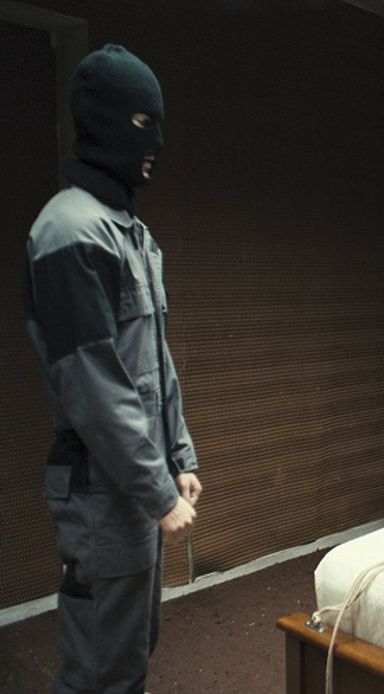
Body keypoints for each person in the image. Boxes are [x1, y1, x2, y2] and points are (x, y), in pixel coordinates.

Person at [24, 44, 201, 693]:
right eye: (141, 123)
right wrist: (156, 490)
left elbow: (154, 362)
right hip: (102, 492)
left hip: (136, 482)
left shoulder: (130, 231)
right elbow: (94, 383)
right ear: (101, 121)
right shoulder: (70, 231)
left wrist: (178, 457)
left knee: (130, 649)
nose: (155, 143)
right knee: (100, 665)